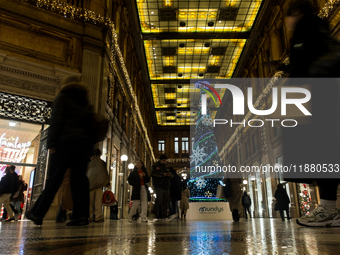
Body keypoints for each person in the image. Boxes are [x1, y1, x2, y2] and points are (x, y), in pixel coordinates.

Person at [272, 0, 340, 227]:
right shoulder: (321, 27)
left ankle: (328, 208)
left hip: (316, 97)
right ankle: (331, 208)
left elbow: (306, 62)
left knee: (320, 152)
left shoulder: (305, 26)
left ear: (295, 14)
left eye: (287, 19)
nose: (287, 24)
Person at [25, 80, 95, 226]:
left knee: (55, 179)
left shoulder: (63, 98)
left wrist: (51, 143)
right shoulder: (86, 103)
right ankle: (81, 217)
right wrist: (89, 148)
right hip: (83, 145)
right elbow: (91, 126)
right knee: (80, 181)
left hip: (65, 143)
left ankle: (37, 213)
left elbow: (56, 121)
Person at [149, 154, 172, 221]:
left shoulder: (166, 167)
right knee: (159, 198)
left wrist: (169, 175)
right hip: (158, 185)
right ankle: (153, 212)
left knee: (166, 200)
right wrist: (162, 175)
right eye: (163, 160)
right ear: (161, 160)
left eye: (165, 160)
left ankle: (164, 216)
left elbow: (171, 176)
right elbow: (153, 174)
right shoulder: (155, 166)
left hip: (166, 185)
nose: (165, 161)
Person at [89, 149, 106, 223]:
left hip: (98, 185)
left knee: (97, 201)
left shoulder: (102, 163)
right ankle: (90, 216)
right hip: (91, 185)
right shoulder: (89, 163)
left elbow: (104, 173)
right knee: (91, 201)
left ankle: (97, 216)